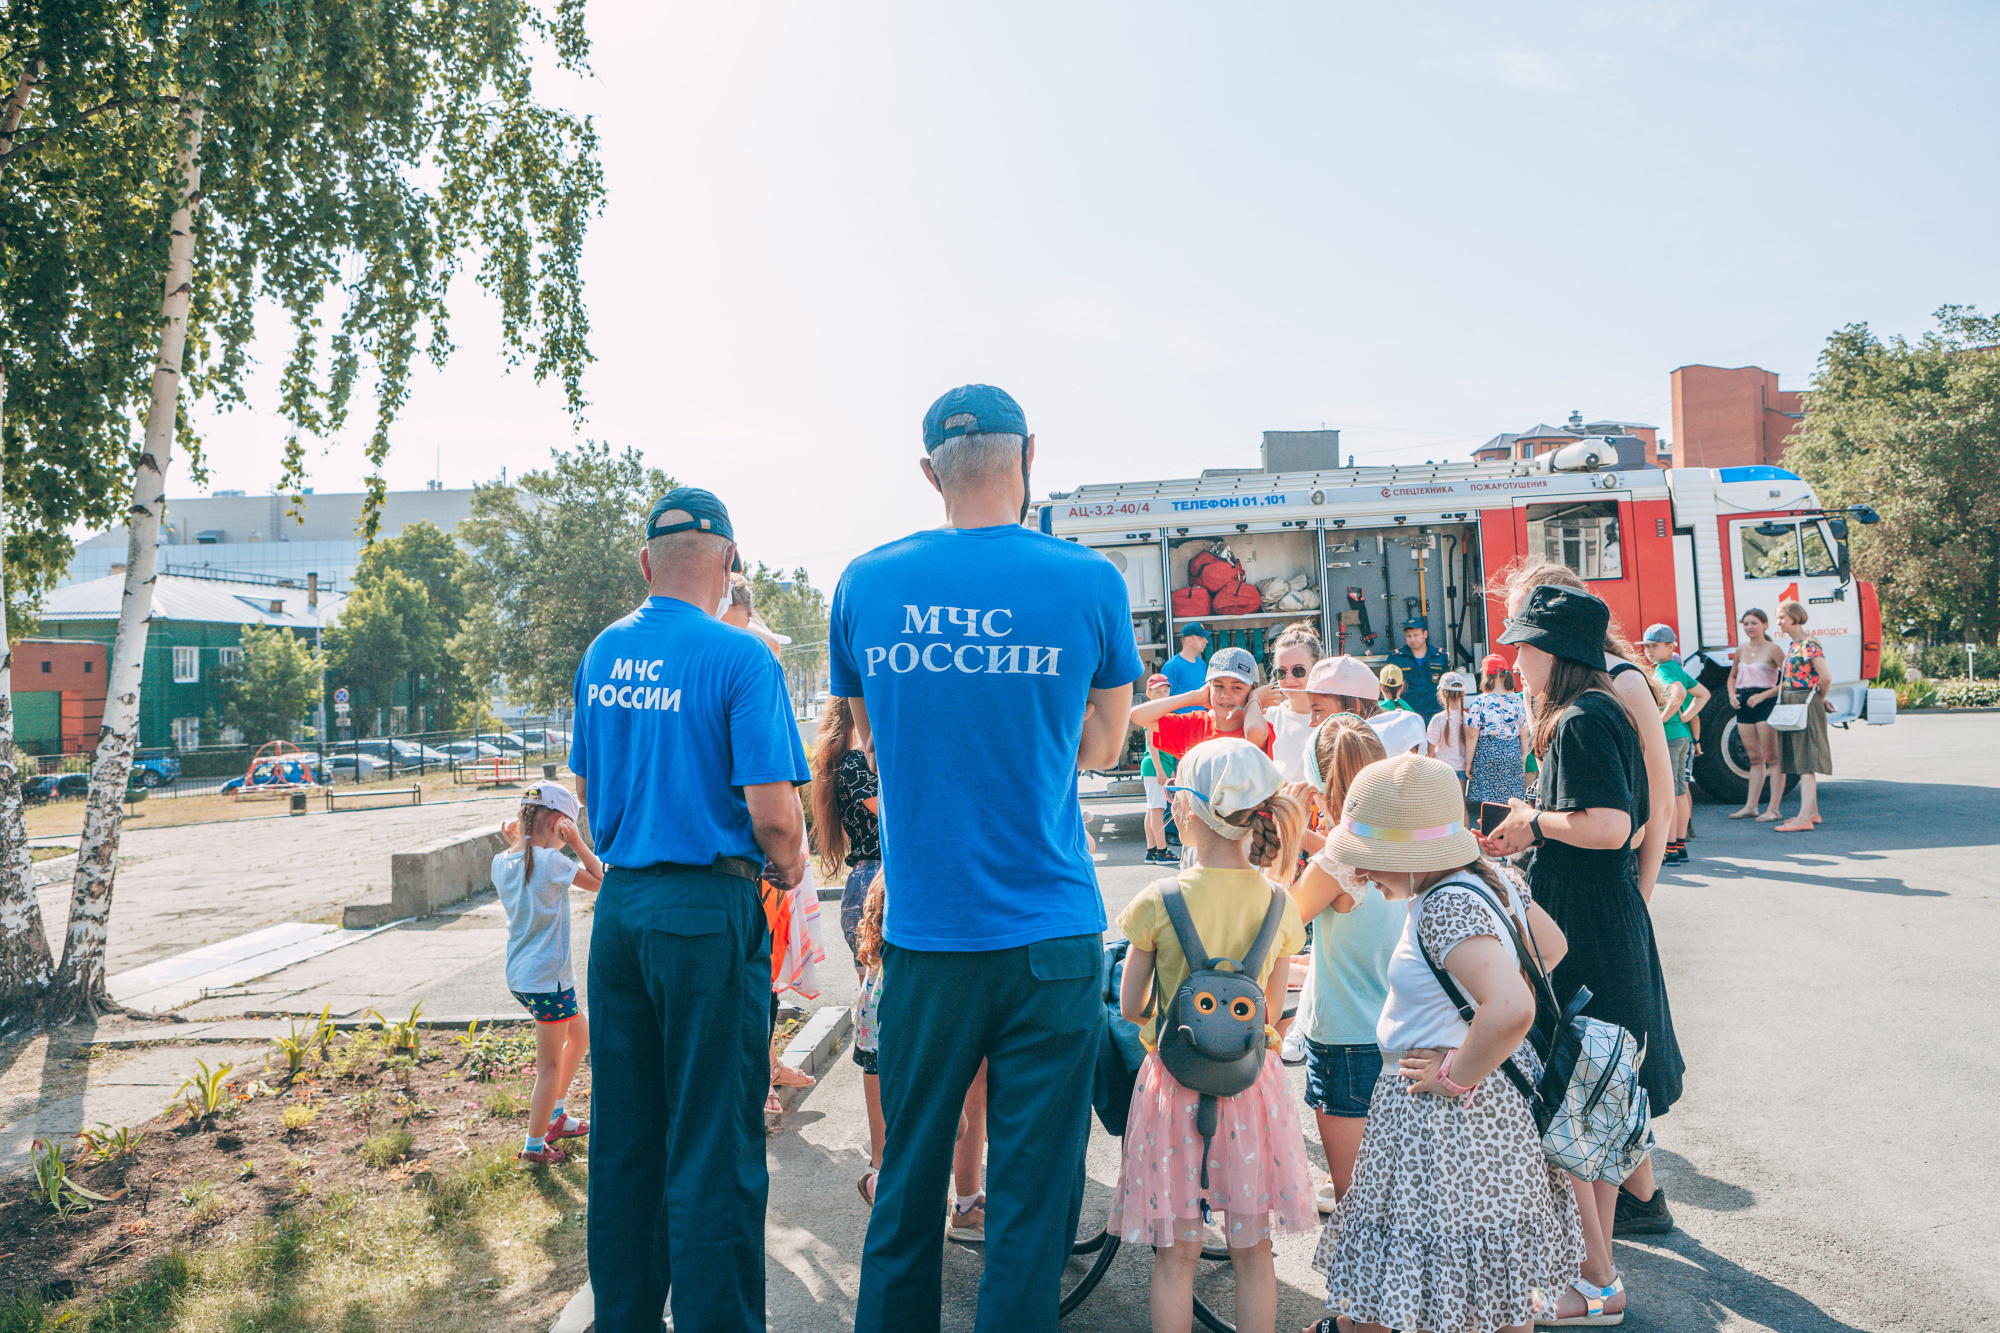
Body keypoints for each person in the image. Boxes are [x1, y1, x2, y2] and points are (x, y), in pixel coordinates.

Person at [831, 384, 1141, 1333]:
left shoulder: (866, 581)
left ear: (930, 472)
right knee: (1031, 1196)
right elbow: (1104, 748)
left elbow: (870, 737)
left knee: (910, 1183)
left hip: (927, 933)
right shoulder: (1089, 582)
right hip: (1051, 932)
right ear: (1029, 456)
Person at [569, 486, 811, 1333]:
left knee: (626, 1139)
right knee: (715, 1141)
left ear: (645, 563)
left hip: (623, 910)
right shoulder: (742, 659)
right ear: (730, 561)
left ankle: (624, 1318)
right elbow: (776, 812)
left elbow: (587, 796)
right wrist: (790, 866)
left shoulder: (602, 653)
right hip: (707, 908)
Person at [1310, 753, 1583, 1333]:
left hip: (1444, 1121)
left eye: (1374, 861)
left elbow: (1511, 1007)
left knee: (1409, 1293)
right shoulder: (1492, 880)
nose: (1366, 874)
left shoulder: (1443, 904)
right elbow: (1551, 948)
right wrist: (1470, 1027)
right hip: (1487, 1115)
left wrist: (1455, 1069)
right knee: (1488, 1288)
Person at [1482, 584, 1686, 1304]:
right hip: (1606, 916)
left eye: (1522, 644)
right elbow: (1621, 823)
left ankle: (1595, 1279)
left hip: (1588, 925)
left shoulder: (1577, 719)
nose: (1514, 657)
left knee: (1571, 1103)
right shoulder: (1602, 707)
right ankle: (1590, 1275)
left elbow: (1608, 825)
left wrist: (1536, 822)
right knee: (1592, 1109)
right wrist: (1535, 819)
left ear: (1554, 650)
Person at [1114, 739, 1316, 1333]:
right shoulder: (1280, 903)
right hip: (1253, 1090)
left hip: (1172, 1088)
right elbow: (1273, 1012)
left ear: (1186, 810)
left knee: (1175, 1256)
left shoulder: (1160, 900)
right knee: (1254, 1253)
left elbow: (1131, 1006)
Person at [1492, 560, 1675, 904]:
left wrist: (1642, 899)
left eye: (1525, 625)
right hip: (1556, 866)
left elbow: (1660, 803)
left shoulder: (1624, 682)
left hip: (1602, 875)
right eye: (1512, 623)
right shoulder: (1538, 682)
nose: (1517, 638)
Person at [1288, 717, 1402, 1214]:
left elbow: (1277, 926)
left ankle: (1367, 1279)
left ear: (1319, 780)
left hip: (1345, 1037)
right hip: (1404, 1029)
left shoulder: (1335, 863)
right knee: (1398, 1173)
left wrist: (1291, 829)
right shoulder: (1407, 842)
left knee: (1356, 1194)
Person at [495, 780, 604, 1166]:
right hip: (549, 981)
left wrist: (520, 839)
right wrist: (576, 844)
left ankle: (556, 1115)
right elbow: (601, 882)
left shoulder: (502, 861)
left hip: (522, 977)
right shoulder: (553, 861)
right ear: (560, 824)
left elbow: (525, 859)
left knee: (581, 1036)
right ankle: (535, 1145)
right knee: (549, 1065)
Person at [1131, 645, 1275, 762]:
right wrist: (1195, 696)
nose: (1225, 695)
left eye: (1237, 688)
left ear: (1252, 690)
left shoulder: (1262, 728)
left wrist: (1255, 700)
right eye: (1218, 686)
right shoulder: (1195, 725)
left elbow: (1254, 733)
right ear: (1208, 687)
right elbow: (1138, 715)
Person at [1640, 624, 1708, 865]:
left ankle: (1669, 849)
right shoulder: (1677, 668)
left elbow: (1677, 693)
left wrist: (1660, 721)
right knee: (1679, 792)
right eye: (1646, 646)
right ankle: (1679, 846)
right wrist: (1686, 717)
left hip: (1668, 739)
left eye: (1654, 646)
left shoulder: (1664, 671)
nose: (1649, 651)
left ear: (1671, 647)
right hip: (1683, 737)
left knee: (1664, 795)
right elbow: (1704, 694)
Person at [1772, 600, 1834, 834]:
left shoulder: (1808, 644)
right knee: (1799, 758)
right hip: (1796, 701)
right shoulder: (1795, 644)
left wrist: (1817, 697)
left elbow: (1825, 676)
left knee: (1806, 761)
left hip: (1804, 701)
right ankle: (1812, 812)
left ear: (1795, 617)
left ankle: (1804, 817)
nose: (1779, 622)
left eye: (1781, 617)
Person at [1725, 608, 1786, 821]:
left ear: (1765, 625)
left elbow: (1788, 681)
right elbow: (1732, 676)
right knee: (1754, 758)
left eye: (1754, 623)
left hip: (1765, 701)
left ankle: (1774, 809)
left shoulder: (1773, 649)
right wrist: (1732, 695)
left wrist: (1763, 696)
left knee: (1773, 758)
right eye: (1746, 624)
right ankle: (1751, 806)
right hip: (1744, 702)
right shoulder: (1741, 649)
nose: (1750, 627)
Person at [1263, 620, 1326, 783]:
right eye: (1281, 672)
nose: (1289, 679)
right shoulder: (1269, 718)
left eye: (1298, 670)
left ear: (1316, 668)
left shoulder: (1332, 719)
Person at [1465, 654, 1529, 808]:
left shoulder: (1480, 702)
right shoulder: (1517, 700)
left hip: (1487, 754)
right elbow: (1524, 732)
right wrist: (1523, 759)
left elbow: (1472, 735)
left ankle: (1490, 831)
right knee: (1511, 803)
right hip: (1512, 753)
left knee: (1489, 804)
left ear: (1487, 676)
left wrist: (1468, 762)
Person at [1140, 674, 1180, 865]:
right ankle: (1162, 852)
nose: (1163, 695)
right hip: (1154, 767)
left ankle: (1152, 851)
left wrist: (1169, 769)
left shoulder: (1161, 714)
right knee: (1157, 810)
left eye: (1165, 691)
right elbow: (1152, 744)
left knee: (1152, 809)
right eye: (1158, 692)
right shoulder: (1152, 713)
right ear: (1149, 694)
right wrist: (1159, 770)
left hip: (1159, 767)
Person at [1384, 615, 1451, 720]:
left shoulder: (1441, 656)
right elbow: (1388, 688)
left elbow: (1448, 686)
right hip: (1407, 715)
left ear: (1425, 634)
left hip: (1435, 714)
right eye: (1408, 636)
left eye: (1416, 635)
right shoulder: (1396, 658)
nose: (1412, 639)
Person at [1424, 671, 1473, 783]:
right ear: (1463, 694)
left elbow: (1430, 748)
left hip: (1442, 768)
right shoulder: (1468, 718)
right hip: (1461, 767)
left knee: (1442, 800)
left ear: (1442, 694)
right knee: (1460, 800)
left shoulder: (1438, 719)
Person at [1163, 622, 1212, 710]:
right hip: (1180, 720)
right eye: (1201, 638)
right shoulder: (1172, 666)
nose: (1206, 641)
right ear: (1189, 640)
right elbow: (1162, 699)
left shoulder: (1202, 664)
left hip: (1200, 719)